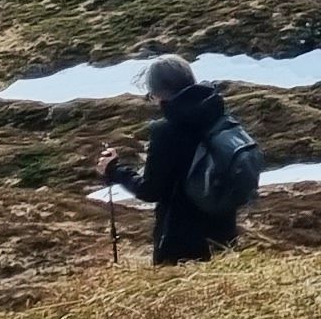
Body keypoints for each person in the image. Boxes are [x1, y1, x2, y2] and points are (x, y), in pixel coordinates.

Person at [101, 56, 244, 265]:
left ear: (160, 94)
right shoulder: (219, 117)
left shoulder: (166, 130)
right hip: (224, 238)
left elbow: (151, 190)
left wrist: (115, 171)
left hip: (180, 244)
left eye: (152, 94)